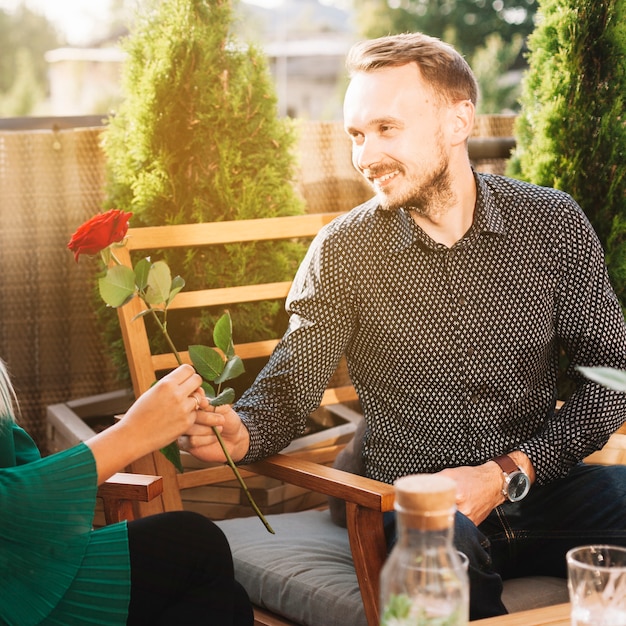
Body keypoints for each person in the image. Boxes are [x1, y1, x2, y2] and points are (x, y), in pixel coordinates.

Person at [183, 33, 626, 619]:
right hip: (417, 506)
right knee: (435, 568)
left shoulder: (551, 223)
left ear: (457, 121)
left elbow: (612, 372)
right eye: (356, 136)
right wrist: (241, 432)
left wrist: (509, 472)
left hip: (541, 487)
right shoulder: (344, 251)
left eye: (386, 129)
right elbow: (288, 391)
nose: (365, 157)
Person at [0, 358, 253, 626]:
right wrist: (135, 432)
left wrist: (241, 438)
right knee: (196, 543)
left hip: (21, 559)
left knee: (233, 602)